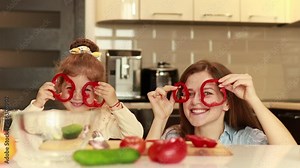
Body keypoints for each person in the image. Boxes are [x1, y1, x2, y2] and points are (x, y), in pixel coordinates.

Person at [146, 60, 297, 145]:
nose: (195, 101)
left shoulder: (245, 139)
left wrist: (254, 100)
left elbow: (288, 152)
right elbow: (145, 165)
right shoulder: (174, 136)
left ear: (226, 103)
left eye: (207, 93)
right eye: (189, 93)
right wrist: (160, 118)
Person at [22, 38, 143, 140]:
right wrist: (37, 104)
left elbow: (135, 134)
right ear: (59, 88)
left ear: (97, 93)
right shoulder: (52, 120)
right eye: (70, 87)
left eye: (86, 90)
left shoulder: (103, 120)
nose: (77, 96)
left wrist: (115, 105)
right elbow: (19, 132)